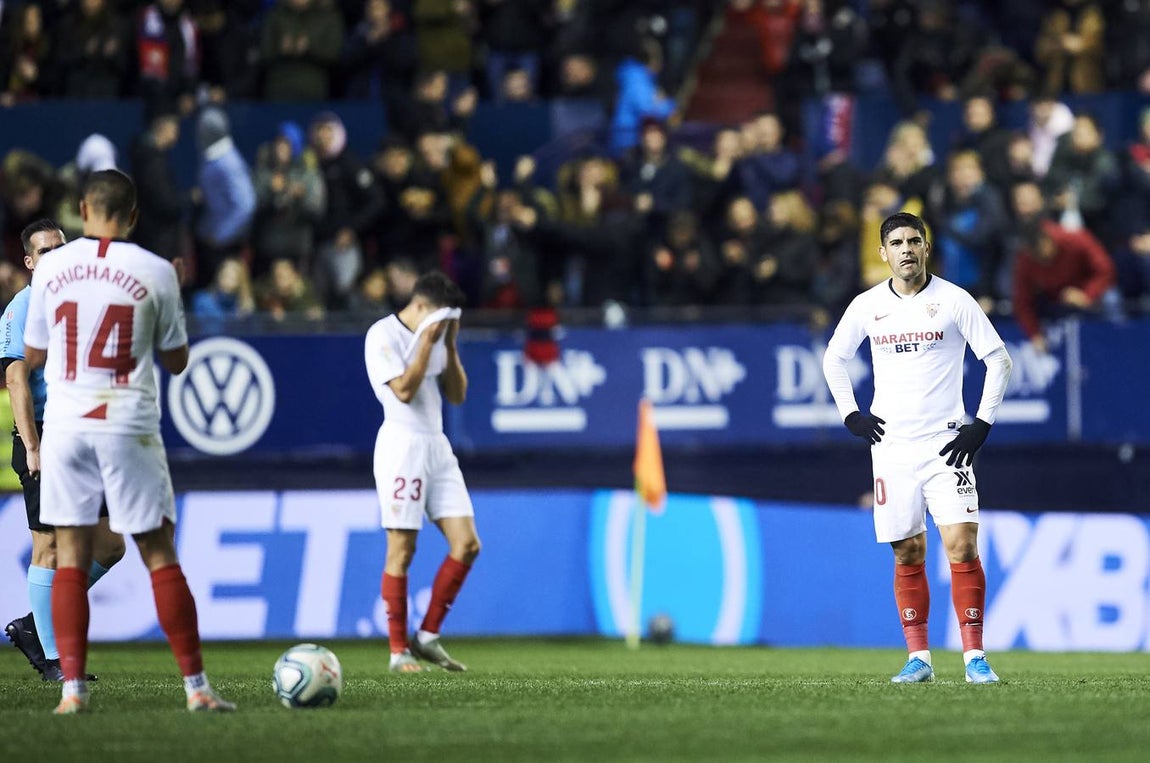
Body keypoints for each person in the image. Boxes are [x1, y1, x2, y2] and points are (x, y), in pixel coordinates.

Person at [22, 170, 234, 714]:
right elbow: (177, 361)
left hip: (66, 426)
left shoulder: (51, 270)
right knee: (159, 554)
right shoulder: (156, 270)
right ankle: (196, 688)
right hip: (127, 423)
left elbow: (34, 355)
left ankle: (72, 692)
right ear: (133, 215)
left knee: (71, 557)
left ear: (81, 210)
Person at [822, 211, 1013, 685]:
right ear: (883, 253)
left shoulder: (954, 300)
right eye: (896, 243)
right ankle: (919, 658)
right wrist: (851, 414)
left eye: (913, 241)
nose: (906, 250)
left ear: (926, 248)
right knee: (907, 550)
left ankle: (975, 657)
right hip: (892, 447)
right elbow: (834, 359)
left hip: (947, 445)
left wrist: (981, 424)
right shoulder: (867, 305)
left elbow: (998, 359)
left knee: (961, 543)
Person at [3, 219, 126, 683]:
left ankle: (34, 626)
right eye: (46, 251)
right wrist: (32, 445)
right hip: (44, 437)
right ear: (30, 262)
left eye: (62, 247)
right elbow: (16, 379)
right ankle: (54, 659)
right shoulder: (23, 308)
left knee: (111, 544)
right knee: (49, 545)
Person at [364, 270, 480, 673]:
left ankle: (427, 636)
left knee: (467, 544)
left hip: (437, 445)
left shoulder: (439, 337)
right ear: (420, 306)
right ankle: (398, 651)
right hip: (402, 447)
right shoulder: (383, 335)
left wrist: (449, 343)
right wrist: (427, 342)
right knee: (402, 549)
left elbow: (457, 395)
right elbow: (403, 391)